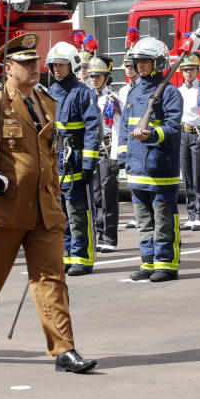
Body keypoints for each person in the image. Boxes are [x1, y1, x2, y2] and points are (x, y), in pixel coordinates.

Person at [0, 32, 97, 373]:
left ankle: (64, 350)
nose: (34, 68)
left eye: (36, 62)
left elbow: (47, 155)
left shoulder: (46, 102)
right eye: (25, 63)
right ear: (8, 68)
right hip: (3, 210)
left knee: (51, 280)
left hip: (44, 209)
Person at [118, 36, 183, 283]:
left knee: (163, 219)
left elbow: (173, 129)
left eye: (145, 61)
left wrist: (153, 134)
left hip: (160, 167)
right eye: (137, 61)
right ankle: (148, 262)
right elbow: (125, 127)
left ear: (158, 62)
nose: (140, 65)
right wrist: (124, 155)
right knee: (144, 221)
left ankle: (166, 264)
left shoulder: (169, 93)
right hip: (136, 168)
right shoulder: (134, 91)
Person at [47, 40, 100, 276]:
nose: (57, 69)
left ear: (72, 65)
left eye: (61, 64)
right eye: (53, 65)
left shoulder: (83, 93)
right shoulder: (48, 93)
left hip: (75, 159)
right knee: (59, 212)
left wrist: (88, 163)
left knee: (78, 210)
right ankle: (66, 254)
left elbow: (92, 129)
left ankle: (83, 257)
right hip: (53, 161)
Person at [177, 51, 200, 231]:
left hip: (199, 134)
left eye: (191, 69)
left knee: (199, 177)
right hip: (183, 134)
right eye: (185, 69)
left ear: (198, 70)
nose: (188, 72)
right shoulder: (178, 91)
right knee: (187, 177)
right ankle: (191, 215)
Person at [89, 54, 121, 253]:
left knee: (108, 194)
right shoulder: (86, 97)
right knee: (95, 195)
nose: (93, 79)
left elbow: (117, 129)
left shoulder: (112, 100)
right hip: (92, 150)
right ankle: (98, 233)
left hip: (107, 149)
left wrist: (116, 156)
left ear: (106, 78)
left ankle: (108, 237)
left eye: (98, 76)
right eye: (92, 76)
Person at [120, 30, 140, 230]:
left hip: (142, 138)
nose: (128, 69)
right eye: (126, 66)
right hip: (129, 138)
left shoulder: (144, 87)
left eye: (131, 66)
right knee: (131, 178)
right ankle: (136, 213)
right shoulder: (123, 91)